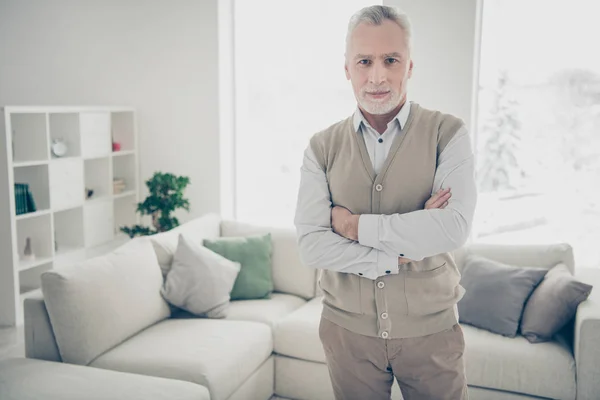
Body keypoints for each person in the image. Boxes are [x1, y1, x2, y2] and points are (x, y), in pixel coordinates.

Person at [293, 5, 477, 400]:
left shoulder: (448, 133)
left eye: (390, 60)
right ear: (347, 68)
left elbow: (452, 228)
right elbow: (310, 244)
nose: (377, 76)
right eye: (364, 61)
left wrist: (349, 226)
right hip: (347, 336)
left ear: (409, 66)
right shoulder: (321, 147)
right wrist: (398, 255)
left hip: (432, 334)